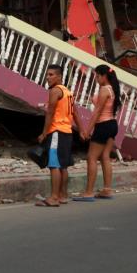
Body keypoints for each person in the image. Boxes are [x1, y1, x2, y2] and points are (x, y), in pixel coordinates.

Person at [36, 64, 87, 207]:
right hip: (67, 132)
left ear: (59, 76)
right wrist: (82, 130)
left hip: (56, 131)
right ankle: (63, 195)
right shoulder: (67, 91)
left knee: (54, 165)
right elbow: (75, 112)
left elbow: (50, 113)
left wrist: (44, 133)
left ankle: (53, 197)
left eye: (51, 75)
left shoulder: (55, 91)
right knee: (63, 166)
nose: (48, 77)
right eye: (47, 74)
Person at [74, 64, 121, 202]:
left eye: (97, 75)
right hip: (112, 124)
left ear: (104, 76)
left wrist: (87, 131)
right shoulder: (112, 89)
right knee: (105, 156)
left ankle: (88, 192)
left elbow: (97, 113)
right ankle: (107, 189)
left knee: (91, 158)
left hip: (103, 125)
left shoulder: (104, 90)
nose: (96, 78)